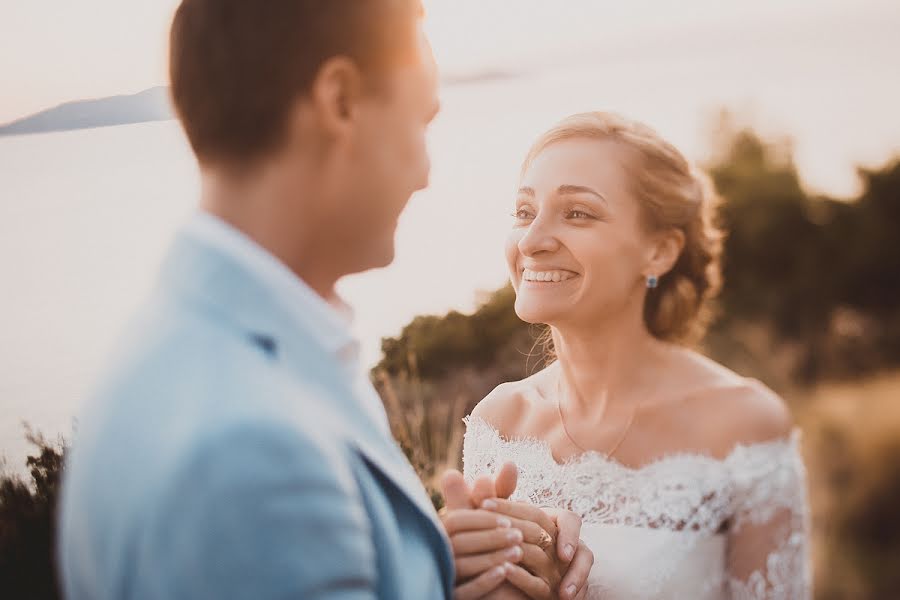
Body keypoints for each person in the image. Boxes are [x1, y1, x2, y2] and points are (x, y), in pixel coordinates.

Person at [57, 2, 592, 598]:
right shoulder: (250, 449)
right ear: (339, 100)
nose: (424, 173)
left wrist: (434, 567)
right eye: (420, 121)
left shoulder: (201, 338)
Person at [464, 111, 812, 599]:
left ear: (659, 252)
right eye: (524, 212)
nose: (532, 240)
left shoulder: (744, 426)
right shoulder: (498, 423)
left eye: (577, 213)